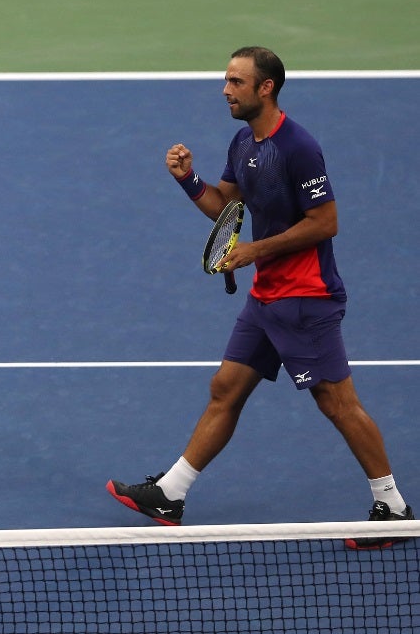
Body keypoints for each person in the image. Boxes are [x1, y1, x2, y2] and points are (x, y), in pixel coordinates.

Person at [106, 47, 413, 549]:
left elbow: (325, 223)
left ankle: (394, 508)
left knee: (337, 402)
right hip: (268, 295)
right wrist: (188, 180)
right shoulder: (243, 142)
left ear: (265, 88)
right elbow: (226, 208)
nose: (225, 90)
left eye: (236, 82)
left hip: (306, 297)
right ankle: (170, 494)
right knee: (226, 388)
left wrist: (253, 250)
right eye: (226, 80)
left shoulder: (298, 147)